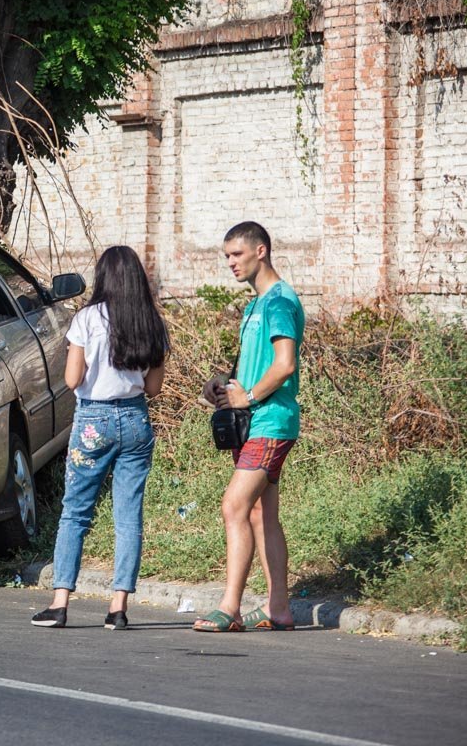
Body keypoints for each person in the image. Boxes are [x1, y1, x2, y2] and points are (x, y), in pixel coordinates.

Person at [31, 246, 169, 630]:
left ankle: (59, 604)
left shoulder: (87, 319)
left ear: (103, 278)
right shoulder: (151, 323)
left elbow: (73, 380)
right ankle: (118, 608)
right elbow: (154, 387)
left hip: (94, 420)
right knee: (128, 516)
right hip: (136, 420)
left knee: (76, 511)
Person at [194, 221, 305, 632]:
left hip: (271, 421)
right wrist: (224, 385)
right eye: (226, 256)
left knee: (234, 505)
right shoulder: (254, 305)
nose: (230, 263)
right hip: (254, 421)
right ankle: (279, 609)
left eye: (236, 254)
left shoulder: (279, 301)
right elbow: (256, 364)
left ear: (261, 251)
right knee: (260, 514)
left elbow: (285, 364)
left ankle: (230, 606)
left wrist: (250, 397)